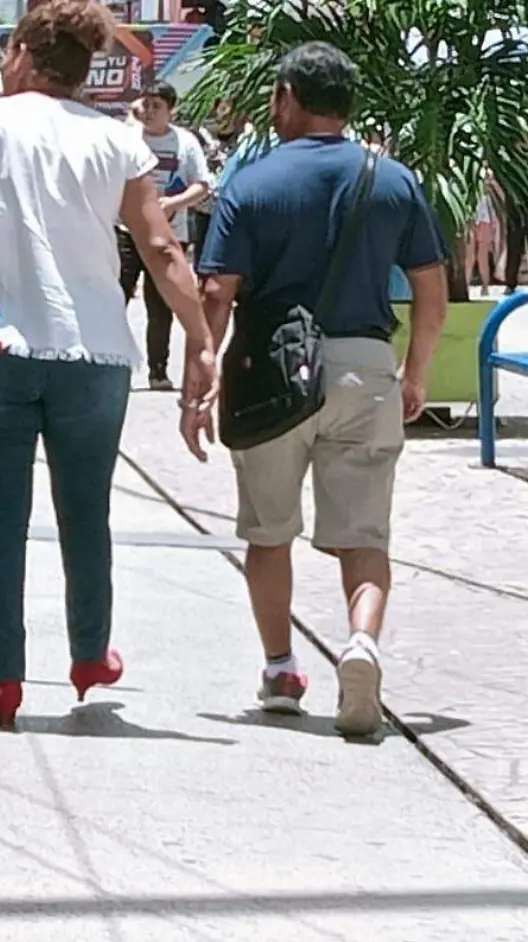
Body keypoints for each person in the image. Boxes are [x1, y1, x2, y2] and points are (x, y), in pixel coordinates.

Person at [0, 0, 214, 726]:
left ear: (26, 58)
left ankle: (3, 679)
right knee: (86, 509)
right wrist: (199, 338)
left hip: (1, 346)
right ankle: (89, 652)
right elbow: (162, 249)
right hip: (97, 350)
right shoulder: (119, 138)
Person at [193, 41, 445, 736]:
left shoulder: (252, 182)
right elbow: (431, 289)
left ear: (287, 97)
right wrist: (416, 371)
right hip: (366, 367)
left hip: (273, 374)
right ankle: (360, 643)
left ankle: (280, 667)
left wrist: (202, 369)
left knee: (269, 533)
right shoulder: (392, 180)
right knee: (364, 535)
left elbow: (217, 291)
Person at [118, 82, 211, 391]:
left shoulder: (186, 143)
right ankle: (113, 363)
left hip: (170, 231)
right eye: (145, 104)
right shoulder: (127, 138)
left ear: (171, 110)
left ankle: (158, 370)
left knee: (161, 304)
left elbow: (202, 185)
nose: (149, 111)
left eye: (157, 105)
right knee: (117, 295)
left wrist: (173, 203)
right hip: (125, 231)